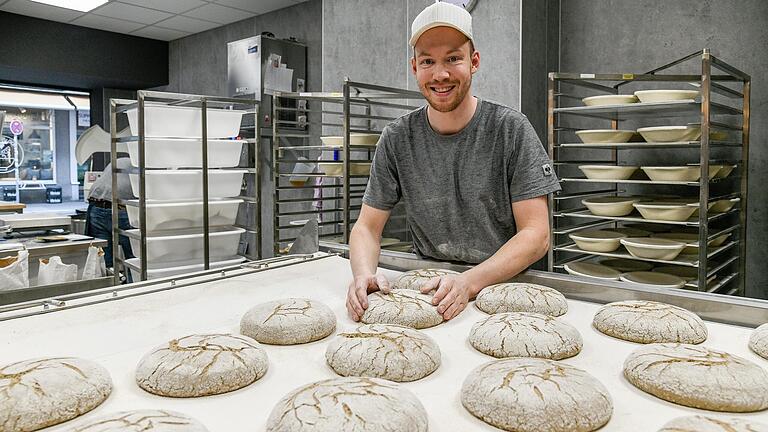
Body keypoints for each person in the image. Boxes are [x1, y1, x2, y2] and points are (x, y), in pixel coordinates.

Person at [346, 2, 561, 322]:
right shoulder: (397, 138)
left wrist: (468, 282)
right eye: (428, 61)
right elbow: (366, 227)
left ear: (473, 61)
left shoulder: (511, 130)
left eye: (453, 58)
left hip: (500, 288)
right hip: (427, 292)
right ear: (414, 68)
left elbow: (536, 234)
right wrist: (364, 274)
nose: (440, 74)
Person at [85, 157, 134, 281]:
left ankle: (111, 288)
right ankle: (133, 288)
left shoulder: (120, 160)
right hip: (121, 210)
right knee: (133, 257)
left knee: (104, 257)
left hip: (96, 206)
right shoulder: (142, 164)